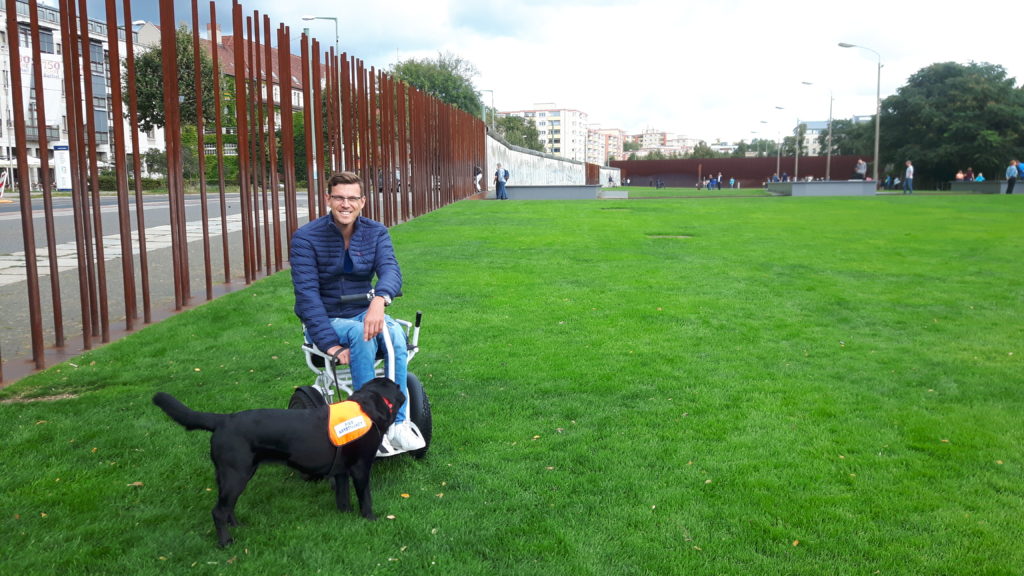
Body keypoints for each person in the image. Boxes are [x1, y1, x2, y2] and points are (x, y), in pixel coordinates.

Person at [290, 171, 426, 456]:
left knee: (394, 334)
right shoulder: (305, 238)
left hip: (365, 311)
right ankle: (367, 427)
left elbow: (390, 271)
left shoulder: (376, 232)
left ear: (363, 201)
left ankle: (397, 425)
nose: (345, 204)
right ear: (328, 199)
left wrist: (379, 300)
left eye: (352, 198)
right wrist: (331, 345)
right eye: (339, 197)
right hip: (327, 320)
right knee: (360, 332)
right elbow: (307, 299)